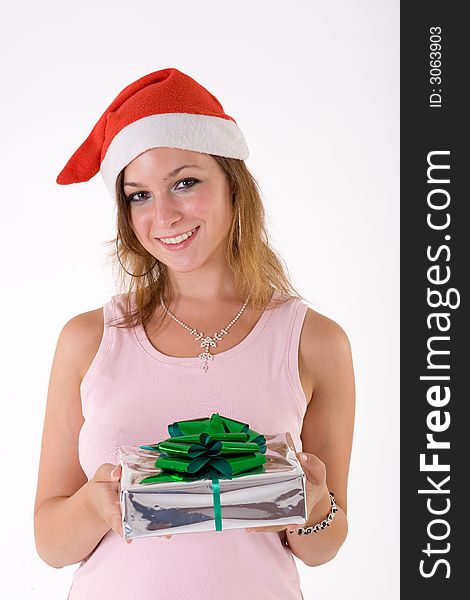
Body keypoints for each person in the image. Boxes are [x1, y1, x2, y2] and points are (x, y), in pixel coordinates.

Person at [34, 68, 355, 599]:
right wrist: (96, 505)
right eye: (138, 195)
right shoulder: (89, 339)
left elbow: (323, 546)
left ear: (233, 184)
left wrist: (314, 504)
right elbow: (49, 543)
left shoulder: (313, 341)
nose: (163, 215)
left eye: (186, 182)